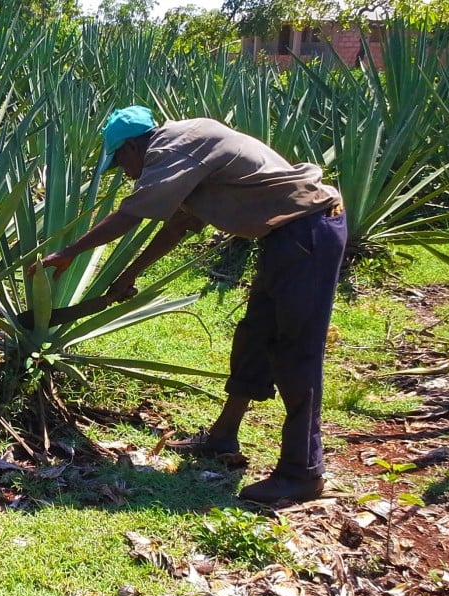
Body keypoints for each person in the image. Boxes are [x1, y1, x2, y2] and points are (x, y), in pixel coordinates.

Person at [33, 105, 347, 503]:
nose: (127, 173)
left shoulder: (174, 147)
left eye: (120, 163)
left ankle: (303, 472)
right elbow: (179, 224)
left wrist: (69, 252)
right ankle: (222, 437)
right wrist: (129, 274)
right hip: (286, 236)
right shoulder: (184, 150)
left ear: (132, 147)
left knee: (296, 351)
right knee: (255, 337)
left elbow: (130, 215)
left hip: (309, 232)